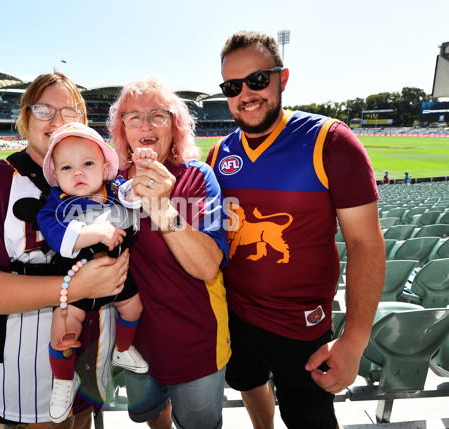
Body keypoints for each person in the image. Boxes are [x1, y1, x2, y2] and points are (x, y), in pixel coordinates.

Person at [207, 31, 386, 429]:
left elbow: (366, 243)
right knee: (248, 382)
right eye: (232, 86)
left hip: (300, 326)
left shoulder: (331, 141)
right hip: (235, 313)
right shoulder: (219, 153)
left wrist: (354, 342)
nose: (246, 94)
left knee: (308, 417)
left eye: (257, 80)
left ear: (282, 79)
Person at [0, 72, 129, 429]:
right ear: (24, 118)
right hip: (19, 363)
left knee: (82, 422)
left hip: (92, 351)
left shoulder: (103, 181)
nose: (57, 121)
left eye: (69, 112)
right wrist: (77, 287)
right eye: (43, 110)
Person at [108, 78, 231, 429]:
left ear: (174, 126)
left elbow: (208, 266)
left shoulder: (197, 177)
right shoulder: (109, 182)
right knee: (154, 417)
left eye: (157, 116)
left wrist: (162, 207)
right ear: (123, 129)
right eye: (133, 117)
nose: (145, 126)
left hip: (196, 344)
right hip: (136, 347)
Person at [36, 122, 148, 423]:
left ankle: (122, 348)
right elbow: (58, 237)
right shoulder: (56, 203)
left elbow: (134, 196)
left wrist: (139, 182)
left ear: (105, 166)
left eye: (88, 163)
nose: (79, 173)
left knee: (134, 307)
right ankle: (63, 381)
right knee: (63, 332)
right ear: (56, 176)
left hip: (118, 274)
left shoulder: (115, 189)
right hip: (76, 281)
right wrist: (95, 231)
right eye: (67, 167)